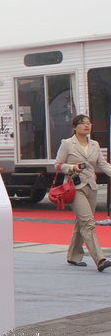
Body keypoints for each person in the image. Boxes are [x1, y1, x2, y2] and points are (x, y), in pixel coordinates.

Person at [54, 114, 111, 272]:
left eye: (89, 123)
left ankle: (73, 256)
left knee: (82, 222)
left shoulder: (94, 144)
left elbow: (103, 164)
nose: (87, 125)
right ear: (74, 127)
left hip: (91, 187)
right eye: (82, 123)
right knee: (88, 223)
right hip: (75, 187)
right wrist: (73, 167)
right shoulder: (67, 144)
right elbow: (57, 165)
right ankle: (100, 259)